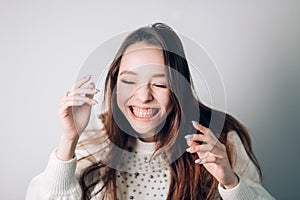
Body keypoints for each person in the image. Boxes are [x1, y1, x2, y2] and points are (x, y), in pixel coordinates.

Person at [26, 23, 274, 200]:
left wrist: (231, 183)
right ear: (114, 85)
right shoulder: (94, 142)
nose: (143, 96)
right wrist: (69, 139)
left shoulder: (220, 140)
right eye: (129, 81)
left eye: (160, 83)